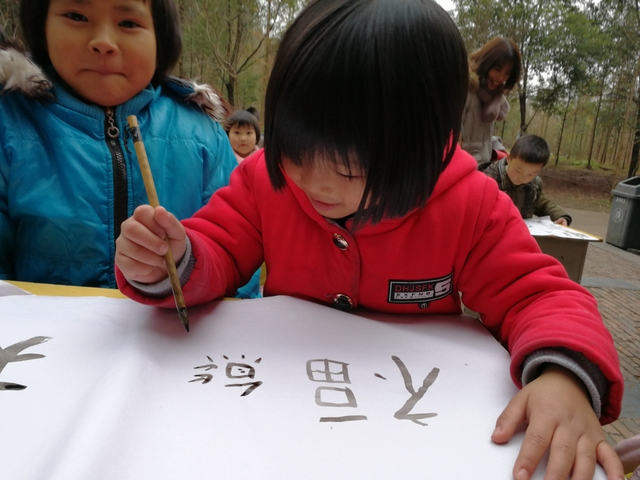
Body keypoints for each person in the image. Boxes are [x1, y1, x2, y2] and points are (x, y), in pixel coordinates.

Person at [114, 1, 624, 478]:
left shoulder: (470, 206)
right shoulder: (265, 180)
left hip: (416, 430)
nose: (313, 184)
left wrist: (562, 377)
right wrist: (174, 260)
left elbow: (539, 296)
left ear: (422, 152)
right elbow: (219, 247)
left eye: (347, 170)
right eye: (295, 152)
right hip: (286, 420)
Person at [0, 0, 259, 297]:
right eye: (76, 16)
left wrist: (180, 271)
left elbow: (237, 265)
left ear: (160, 38)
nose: (103, 42)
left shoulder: (203, 135)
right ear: (41, 25)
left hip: (177, 324)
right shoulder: (9, 122)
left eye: (128, 23)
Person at [480, 134, 572, 226]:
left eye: (531, 174)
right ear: (508, 158)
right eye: (518, 170)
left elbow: (543, 204)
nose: (522, 177)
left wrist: (560, 216)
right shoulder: (487, 180)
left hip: (519, 231)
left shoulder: (534, 185)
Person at [461, 36, 522, 164]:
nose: (501, 78)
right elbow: (452, 139)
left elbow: (479, 138)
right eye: (497, 69)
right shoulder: (465, 91)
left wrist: (498, 150)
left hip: (483, 165)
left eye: (507, 73)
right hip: (463, 168)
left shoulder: (492, 99)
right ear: (485, 63)